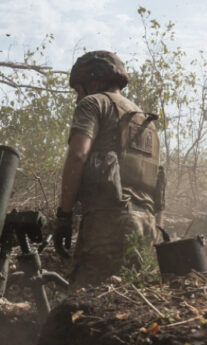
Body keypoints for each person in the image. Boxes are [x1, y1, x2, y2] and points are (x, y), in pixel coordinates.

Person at [53, 50, 164, 288]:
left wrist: (64, 215)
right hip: (146, 225)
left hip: (108, 222)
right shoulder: (145, 121)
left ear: (93, 81)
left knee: (85, 306)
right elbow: (158, 183)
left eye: (77, 91)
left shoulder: (93, 103)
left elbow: (78, 155)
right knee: (127, 304)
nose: (77, 99)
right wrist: (155, 232)